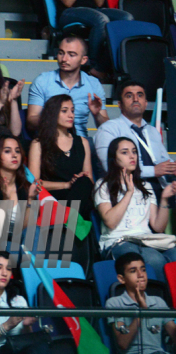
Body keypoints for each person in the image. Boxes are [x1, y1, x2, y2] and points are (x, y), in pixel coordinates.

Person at [94, 137, 176, 282]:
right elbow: (111, 222)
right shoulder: (103, 185)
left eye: (134, 152)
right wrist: (129, 192)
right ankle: (159, 302)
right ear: (114, 159)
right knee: (154, 259)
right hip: (118, 241)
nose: (132, 156)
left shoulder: (145, 185)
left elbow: (158, 226)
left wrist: (164, 198)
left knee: (174, 255)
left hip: (146, 239)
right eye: (124, 153)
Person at [95, 80, 176, 199]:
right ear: (119, 104)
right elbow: (111, 167)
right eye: (129, 96)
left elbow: (165, 161)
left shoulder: (152, 131)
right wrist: (153, 171)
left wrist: (173, 168)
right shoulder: (108, 129)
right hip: (129, 190)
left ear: (146, 102)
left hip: (160, 189)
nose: (136, 99)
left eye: (140, 95)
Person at [27, 36, 109, 137]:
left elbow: (106, 127)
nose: (64, 59)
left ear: (83, 60)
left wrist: (97, 115)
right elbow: (31, 121)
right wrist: (55, 119)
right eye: (61, 53)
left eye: (71, 54)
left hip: (81, 142)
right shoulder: (42, 81)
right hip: (50, 140)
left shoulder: (94, 84)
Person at [28, 94, 95, 216]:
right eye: (65, 111)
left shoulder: (83, 142)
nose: (71, 115)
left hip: (80, 195)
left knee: (84, 182)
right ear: (52, 114)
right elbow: (35, 183)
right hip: (53, 198)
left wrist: (79, 180)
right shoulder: (38, 144)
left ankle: (70, 219)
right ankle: (72, 221)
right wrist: (67, 184)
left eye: (72, 111)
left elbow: (89, 179)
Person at [105, 252, 176, 354]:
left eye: (143, 270)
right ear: (122, 279)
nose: (140, 275)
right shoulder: (115, 303)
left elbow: (173, 334)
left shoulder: (158, 301)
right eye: (133, 271)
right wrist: (142, 312)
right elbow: (122, 344)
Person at [0, 135, 40, 232]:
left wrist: (30, 200)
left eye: (17, 151)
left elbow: (27, 229)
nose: (14, 155)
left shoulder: (26, 186)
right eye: (7, 151)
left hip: (19, 241)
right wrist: (6, 200)